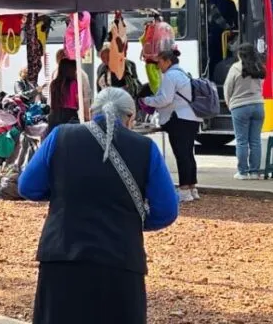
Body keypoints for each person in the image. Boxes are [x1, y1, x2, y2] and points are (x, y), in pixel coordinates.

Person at [18, 87, 179, 324]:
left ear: (91, 112)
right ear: (130, 118)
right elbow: (166, 210)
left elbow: (27, 186)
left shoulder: (61, 136)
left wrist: (62, 196)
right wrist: (130, 220)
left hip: (62, 257)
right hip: (121, 261)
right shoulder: (146, 148)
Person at [141, 49, 203, 202]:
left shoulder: (170, 76)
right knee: (188, 153)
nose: (159, 66)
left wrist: (147, 100)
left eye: (160, 62)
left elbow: (165, 99)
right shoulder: (183, 74)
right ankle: (191, 187)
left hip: (179, 119)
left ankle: (184, 190)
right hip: (192, 118)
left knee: (181, 154)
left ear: (168, 61)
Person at [223, 43, 266, 180]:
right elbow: (262, 86)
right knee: (255, 141)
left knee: (242, 141)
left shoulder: (235, 68)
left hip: (240, 107)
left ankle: (242, 172)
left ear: (240, 54)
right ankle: (254, 172)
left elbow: (228, 87)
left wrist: (230, 104)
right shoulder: (259, 67)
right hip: (258, 105)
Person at [48, 59, 87, 130]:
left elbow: (52, 103)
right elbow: (79, 102)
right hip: (70, 117)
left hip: (54, 116)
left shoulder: (54, 83)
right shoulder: (74, 84)